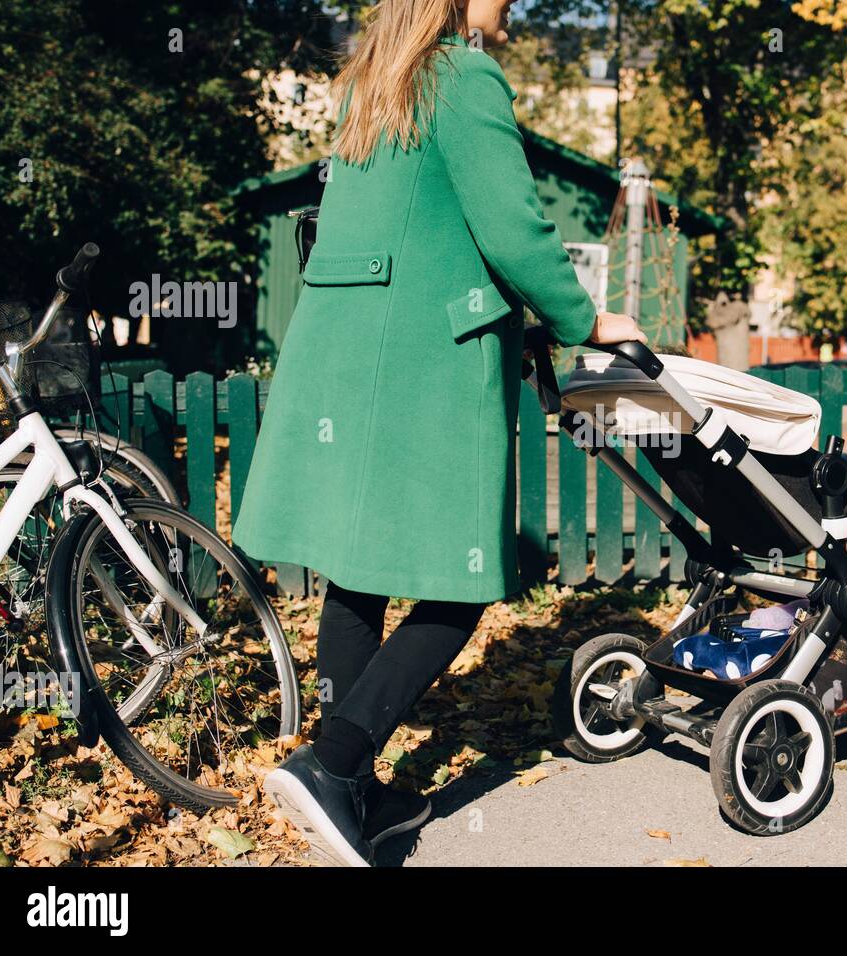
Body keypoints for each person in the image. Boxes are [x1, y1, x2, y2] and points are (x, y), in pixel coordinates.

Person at [232, 0, 646, 866]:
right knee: (464, 579)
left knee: (356, 572)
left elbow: (410, 225)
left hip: (344, 355)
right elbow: (512, 229)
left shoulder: (370, 80)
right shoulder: (461, 75)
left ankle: (357, 780)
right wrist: (582, 317)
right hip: (423, 363)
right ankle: (335, 762)